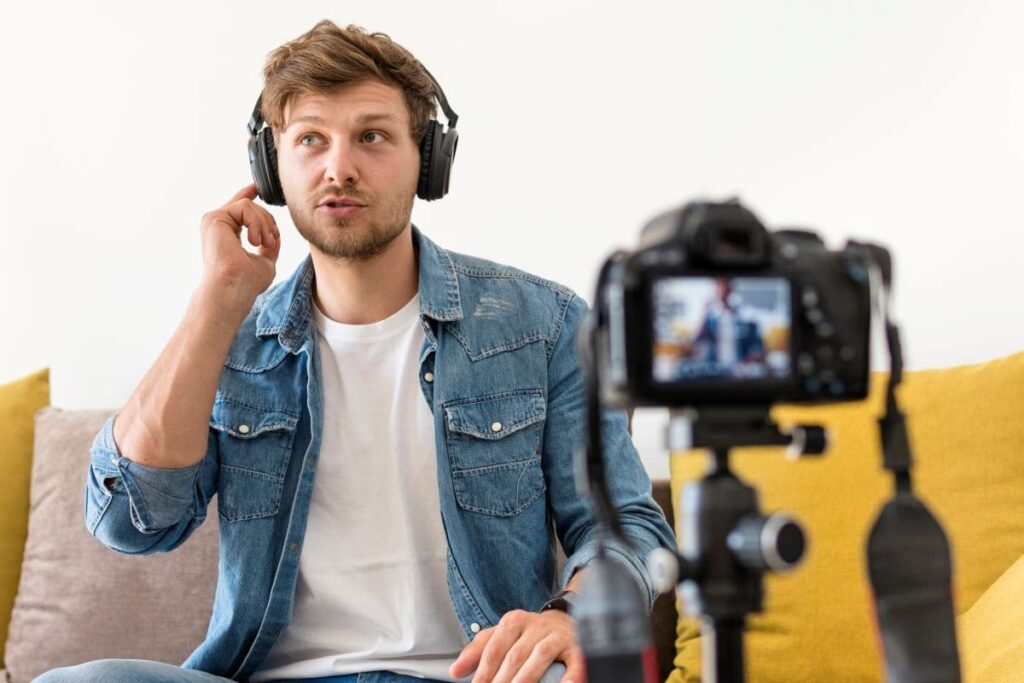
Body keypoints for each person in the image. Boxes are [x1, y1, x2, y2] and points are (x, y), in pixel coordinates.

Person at [37, 19, 675, 683]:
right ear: (272, 166)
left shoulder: (547, 324)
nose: (338, 166)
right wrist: (217, 300)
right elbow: (129, 521)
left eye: (371, 136)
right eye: (311, 139)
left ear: (427, 159)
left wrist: (569, 615)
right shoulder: (228, 336)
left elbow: (626, 525)